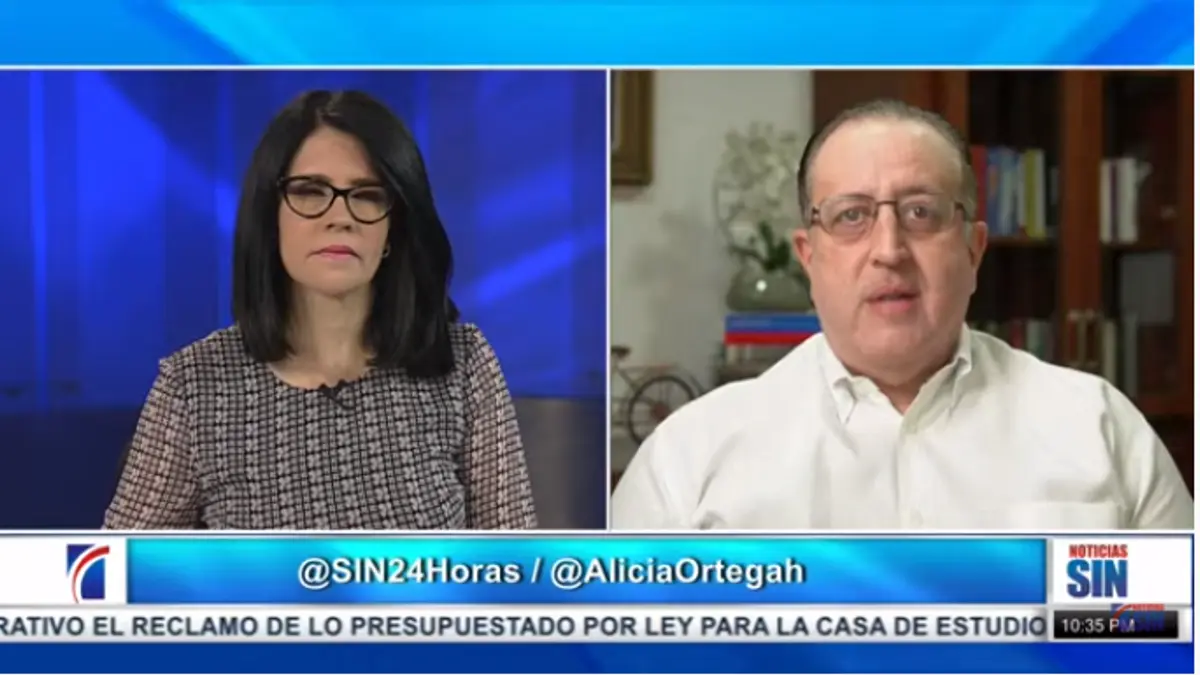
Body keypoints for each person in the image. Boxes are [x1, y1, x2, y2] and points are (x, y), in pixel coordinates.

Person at [612, 98, 1193, 531]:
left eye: (921, 212)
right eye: (851, 216)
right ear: (809, 259)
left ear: (973, 250)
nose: (889, 250)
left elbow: (1176, 634)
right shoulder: (688, 460)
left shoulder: (1099, 428)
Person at [105, 90, 538, 530]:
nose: (340, 217)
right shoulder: (194, 385)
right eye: (310, 192)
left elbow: (517, 561)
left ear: (393, 229)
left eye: (367, 195)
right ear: (270, 218)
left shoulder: (462, 365)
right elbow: (117, 566)